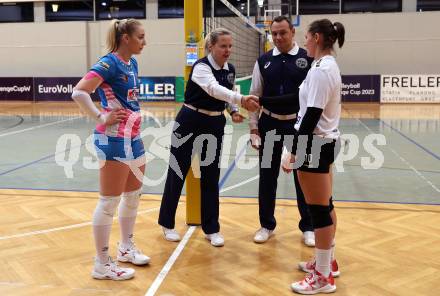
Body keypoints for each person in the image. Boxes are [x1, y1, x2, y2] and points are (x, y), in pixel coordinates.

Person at [158, 28, 259, 247]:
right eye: (223, 46)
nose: (228, 50)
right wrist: (241, 99)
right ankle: (167, 224)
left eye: (230, 46)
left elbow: (227, 92)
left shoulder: (230, 69)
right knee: (177, 172)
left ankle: (211, 229)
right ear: (211, 46)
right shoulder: (201, 67)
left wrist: (233, 110)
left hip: (214, 123)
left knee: (211, 175)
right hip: (189, 120)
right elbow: (214, 90)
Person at [71, 19, 150, 281]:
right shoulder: (109, 62)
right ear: (125, 38)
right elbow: (79, 91)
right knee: (109, 203)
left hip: (134, 137)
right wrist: (100, 116)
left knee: (133, 195)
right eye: (140, 37)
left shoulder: (133, 63)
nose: (144, 42)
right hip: (113, 140)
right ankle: (102, 263)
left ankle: (126, 248)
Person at [283, 19, 345, 294]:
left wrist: (293, 150)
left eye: (307, 37)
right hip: (323, 141)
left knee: (318, 210)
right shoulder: (325, 66)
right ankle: (326, 262)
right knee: (324, 204)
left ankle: (322, 278)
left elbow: (311, 115)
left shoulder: (322, 69)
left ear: (317, 38)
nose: (304, 41)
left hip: (315, 143)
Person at [248, 16, 315, 246]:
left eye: (282, 33)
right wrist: (254, 128)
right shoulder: (263, 61)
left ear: (292, 32)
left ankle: (308, 226)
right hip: (269, 125)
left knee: (303, 177)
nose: (278, 37)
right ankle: (266, 225)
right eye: (274, 33)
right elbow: (254, 98)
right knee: (267, 177)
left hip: (297, 126)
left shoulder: (308, 58)